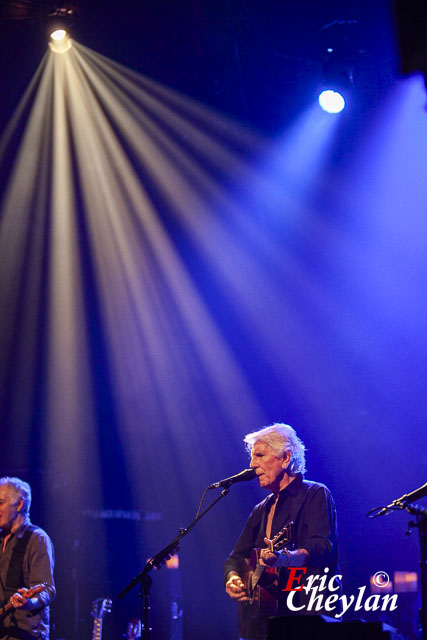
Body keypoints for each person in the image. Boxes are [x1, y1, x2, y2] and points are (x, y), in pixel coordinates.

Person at [223, 423, 340, 639]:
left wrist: (284, 559)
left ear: (286, 458)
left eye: (259, 455)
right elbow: (235, 558)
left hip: (307, 616)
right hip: (265, 624)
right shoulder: (262, 509)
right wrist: (232, 579)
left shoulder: (315, 494)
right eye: (252, 457)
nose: (251, 464)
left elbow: (322, 548)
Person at [0, 477, 55, 640]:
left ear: (19, 504)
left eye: (0, 502)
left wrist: (29, 603)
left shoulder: (36, 539)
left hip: (24, 635)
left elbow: (47, 589)